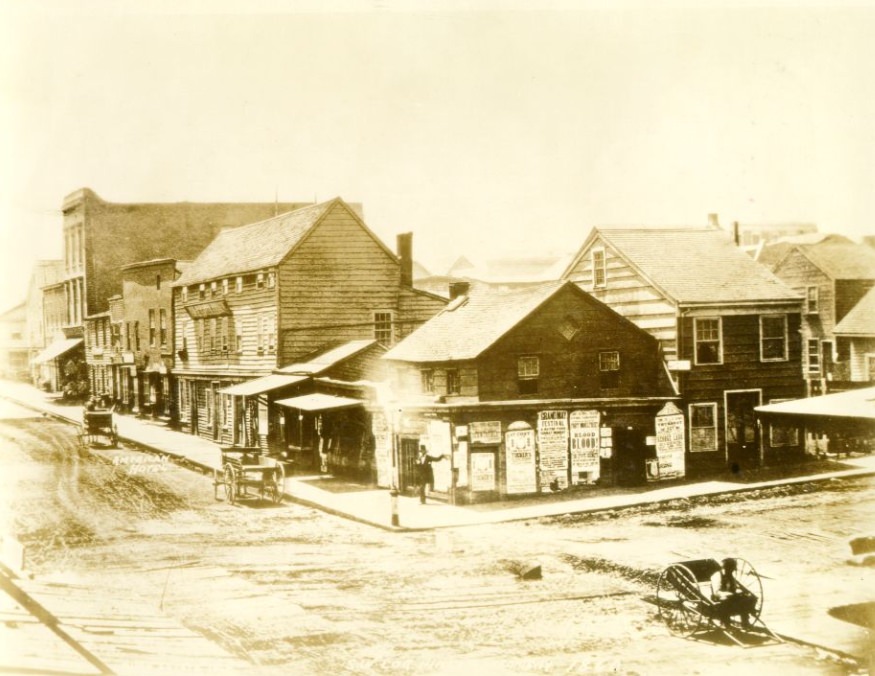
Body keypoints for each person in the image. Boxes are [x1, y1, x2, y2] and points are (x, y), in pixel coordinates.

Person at [711, 558, 757, 629]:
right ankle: (725, 622)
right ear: (726, 568)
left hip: (731, 598)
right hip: (719, 599)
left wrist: (745, 593)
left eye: (733, 569)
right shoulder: (717, 576)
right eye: (731, 569)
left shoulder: (730, 576)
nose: (732, 571)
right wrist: (731, 594)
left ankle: (745, 621)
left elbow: (736, 587)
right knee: (726, 600)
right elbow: (716, 592)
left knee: (750, 598)